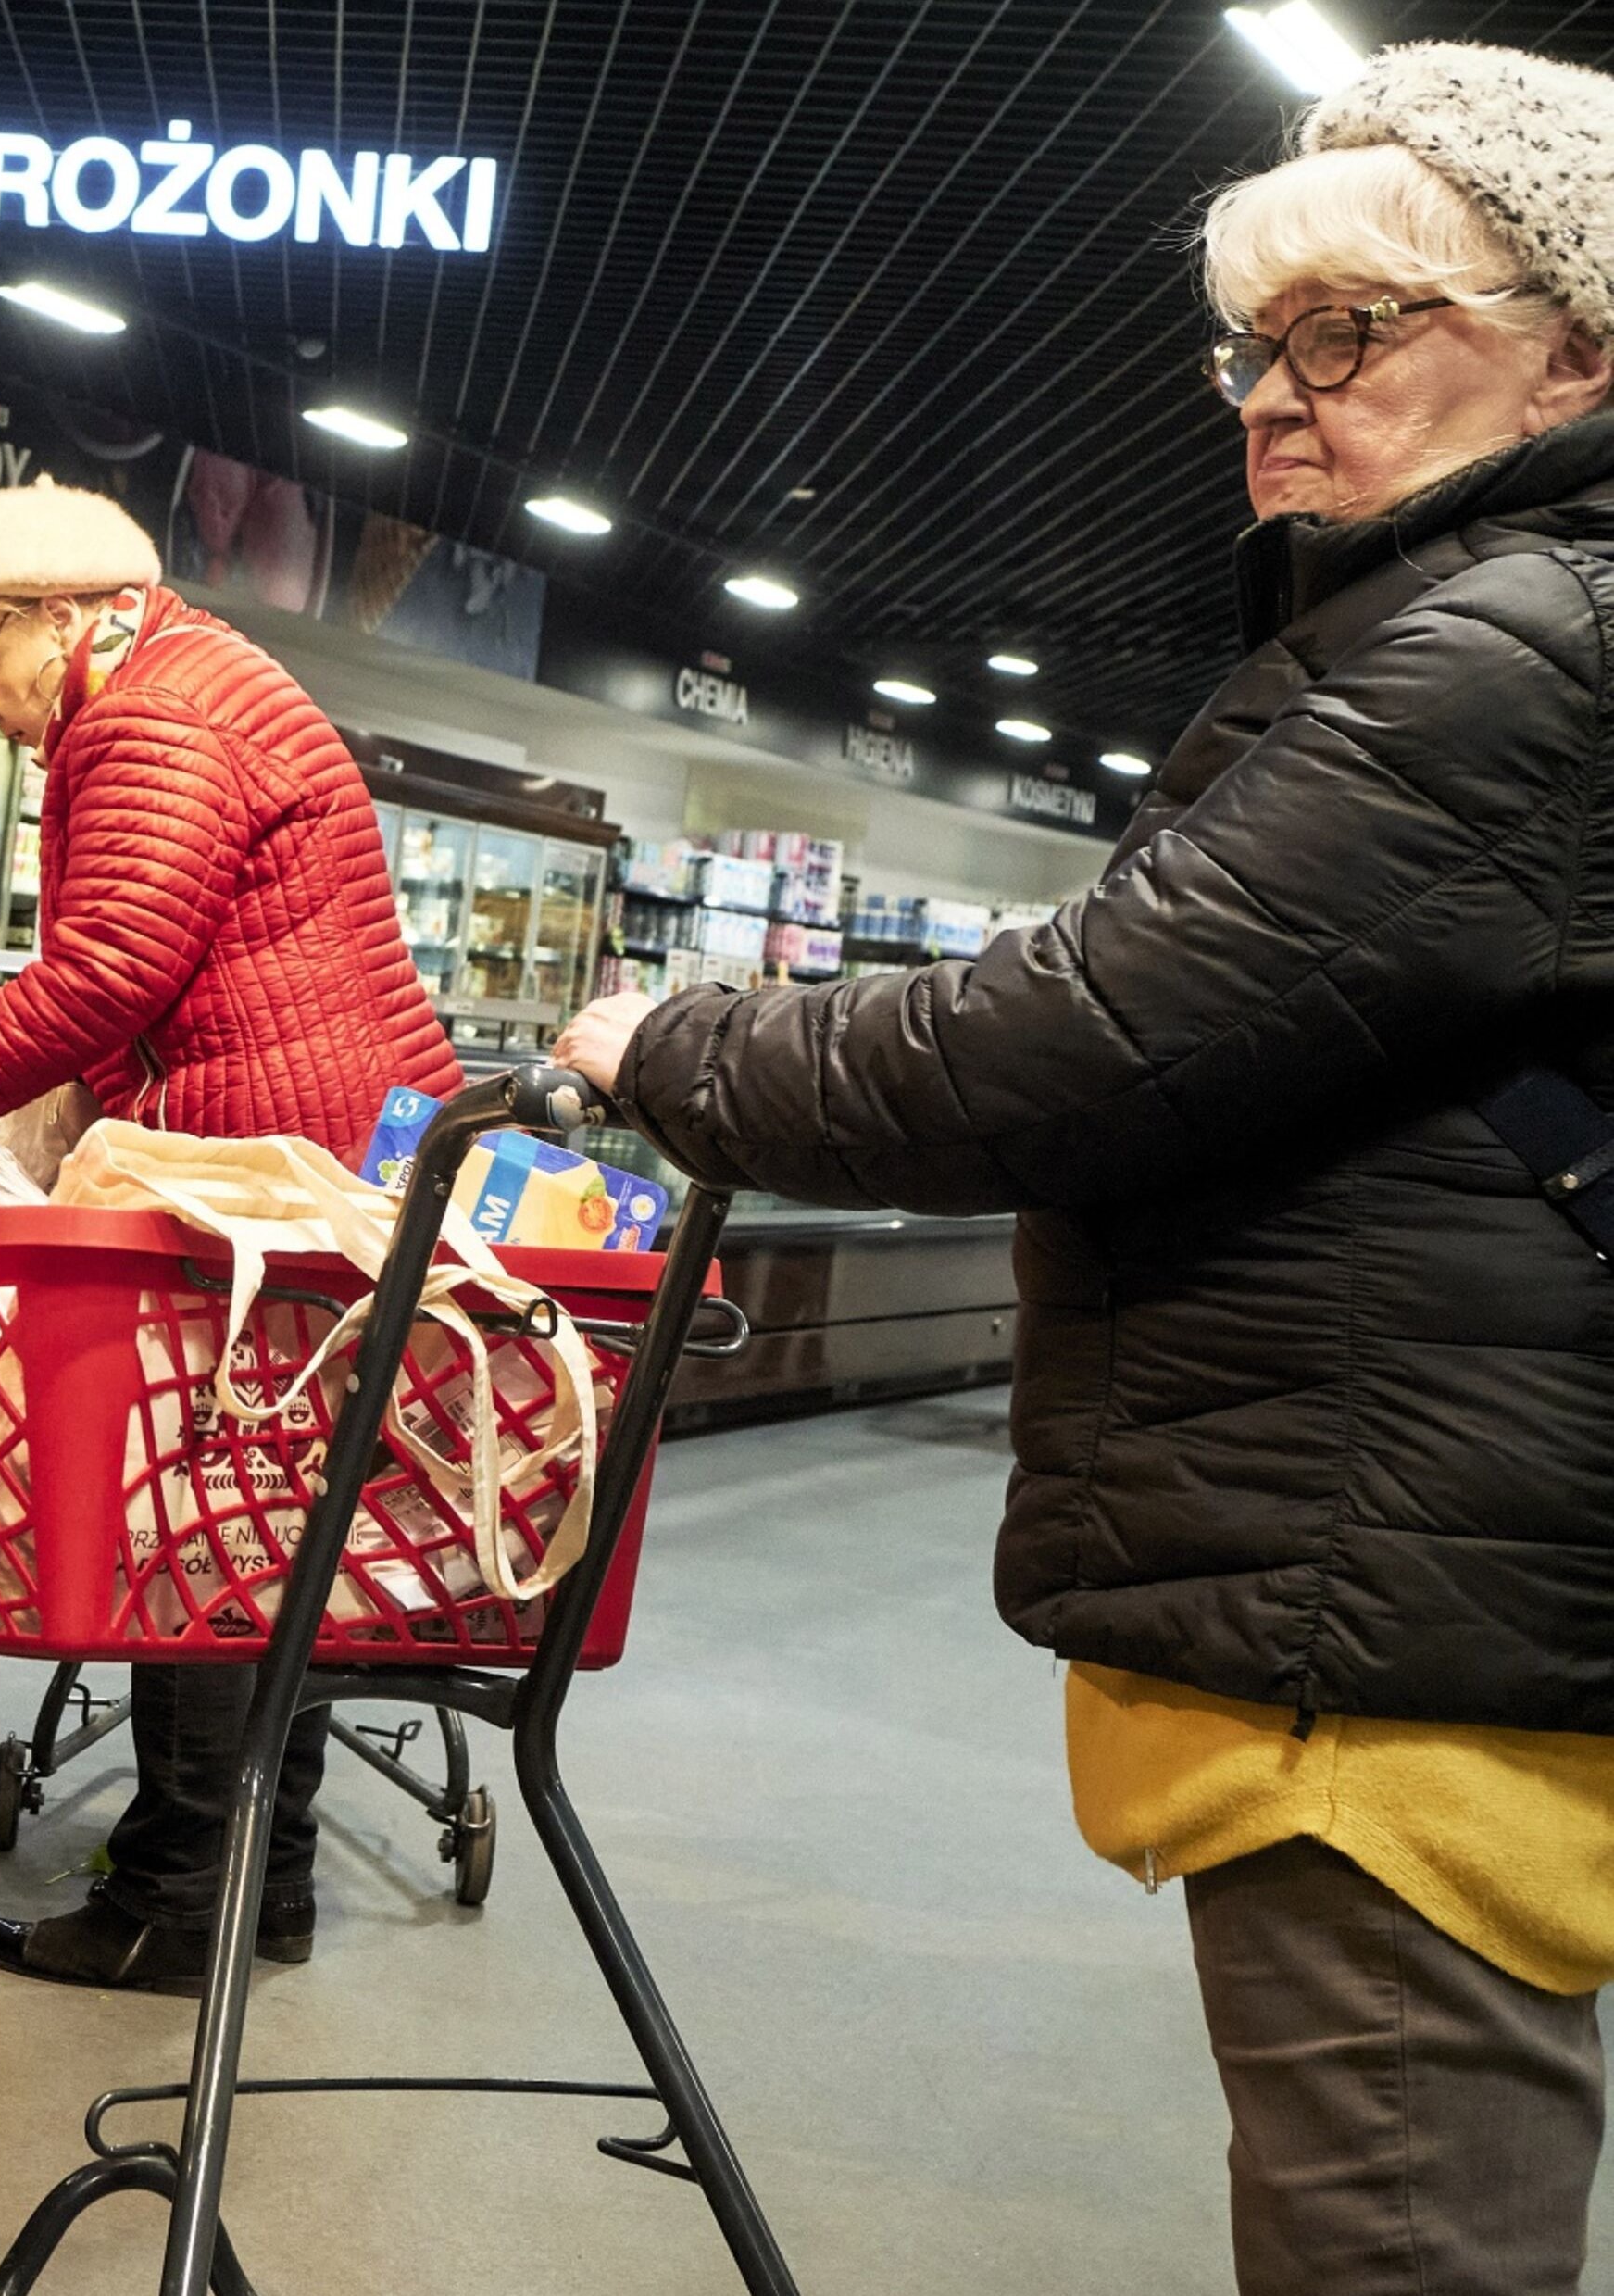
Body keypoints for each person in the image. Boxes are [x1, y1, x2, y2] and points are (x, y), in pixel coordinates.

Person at [556, 44, 1614, 2295]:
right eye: (1254, 339)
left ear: (1582, 343)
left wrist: (676, 1043)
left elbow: (1068, 1045)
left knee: (1396, 2231)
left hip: (1393, 1618)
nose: (1274, 390)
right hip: (1418, 1559)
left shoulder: (1505, 647)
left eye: (1352, 329)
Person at [0, 477, 459, 1992]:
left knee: (202, 1523)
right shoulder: (192, 672)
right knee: (266, 1527)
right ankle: (249, 1884)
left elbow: (109, 969)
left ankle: (182, 1894)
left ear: (52, 612)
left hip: (262, 1161)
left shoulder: (150, 717)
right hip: (311, 1148)